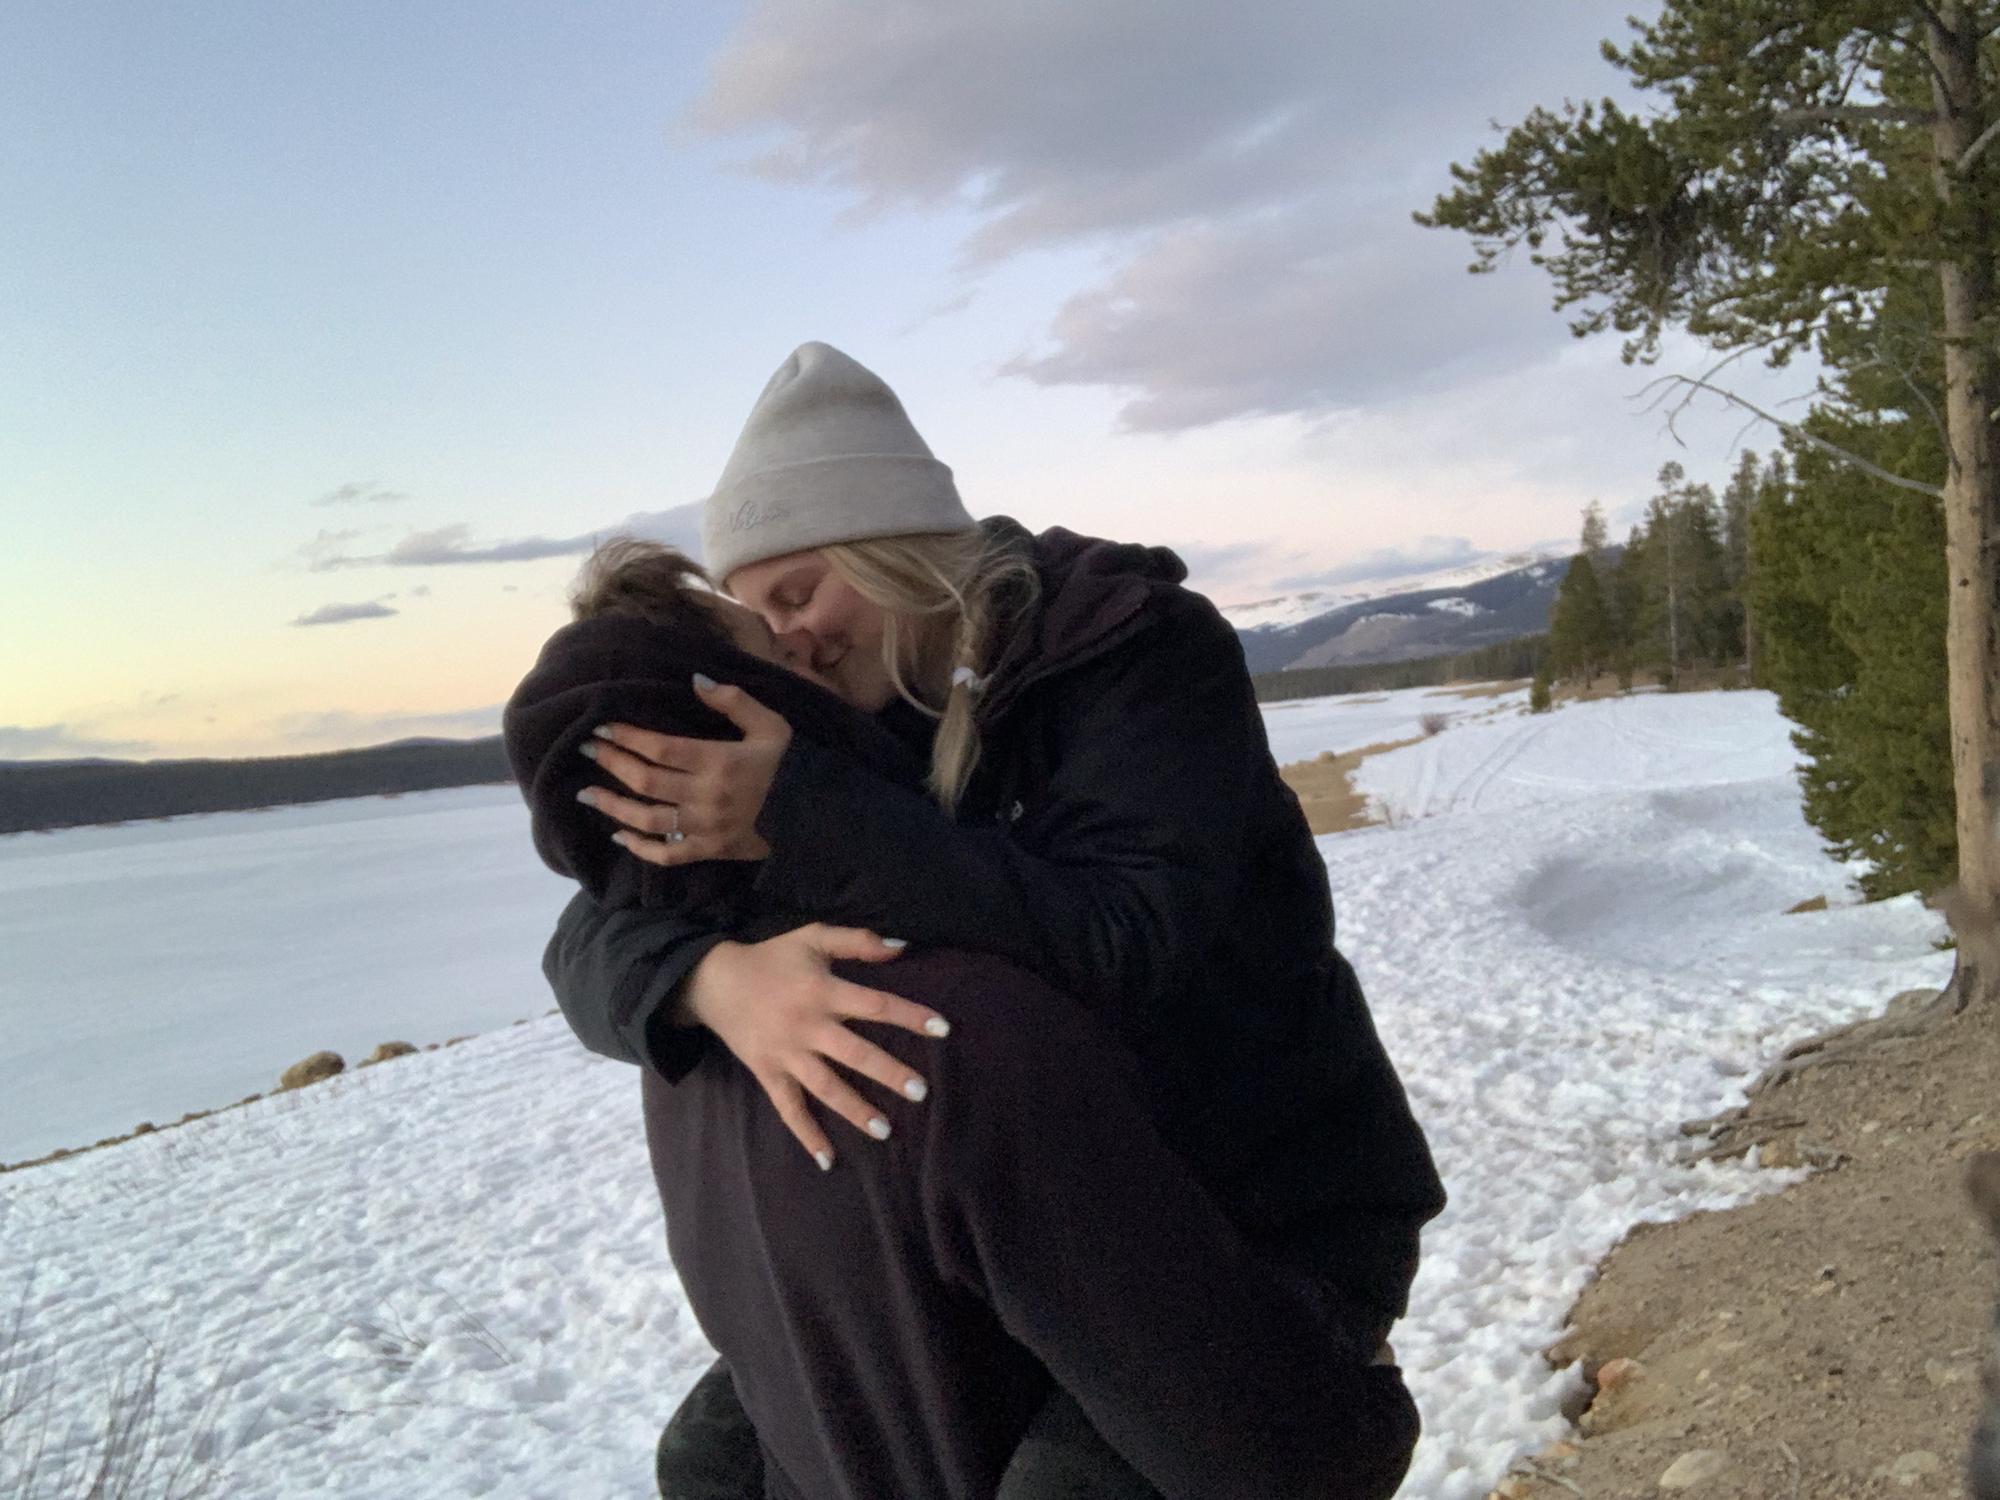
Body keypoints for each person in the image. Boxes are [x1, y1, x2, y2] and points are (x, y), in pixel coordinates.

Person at [548, 341, 1447, 1494]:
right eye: (760, 617)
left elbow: (1124, 936)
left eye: (798, 592)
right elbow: (586, 935)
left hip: (1249, 1210)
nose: (792, 639)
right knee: (716, 1461)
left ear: (888, 547)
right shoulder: (862, 718)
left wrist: (807, 821)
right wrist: (714, 980)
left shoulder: (1131, 651)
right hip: (1016, 1244)